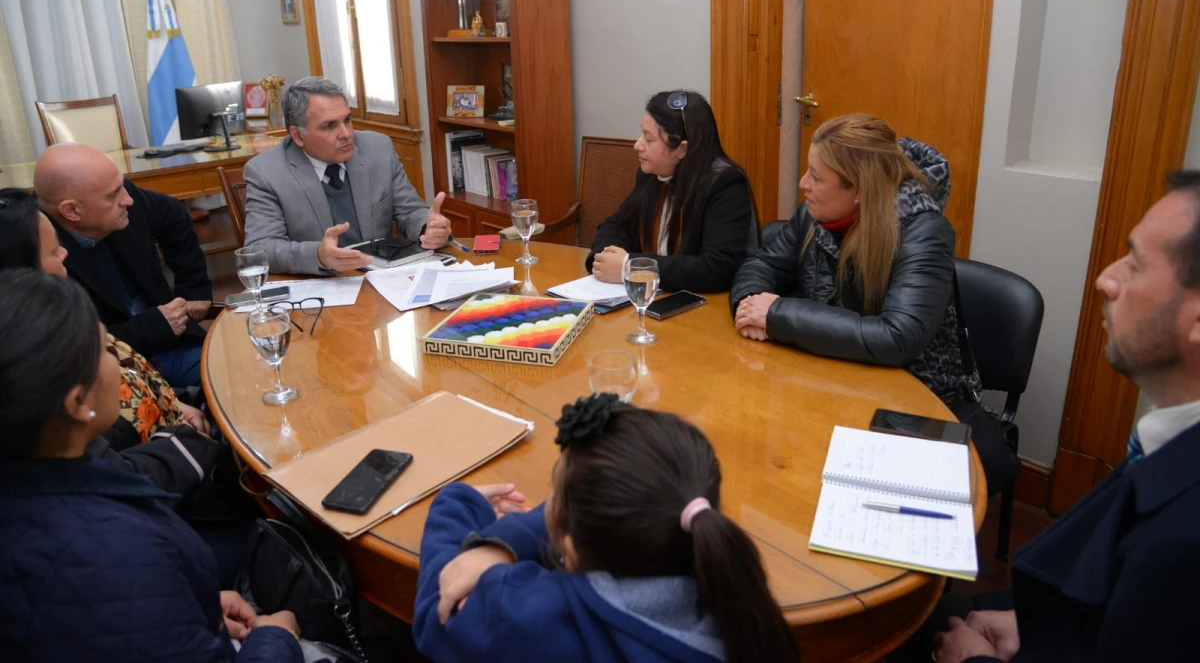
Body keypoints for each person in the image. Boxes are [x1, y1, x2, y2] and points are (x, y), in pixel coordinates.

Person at [900, 170, 1200, 663]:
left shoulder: (1183, 547)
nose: (1107, 277)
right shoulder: (1172, 436)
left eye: (1136, 264)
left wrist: (971, 660)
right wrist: (1031, 619)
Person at [0, 269, 304, 661]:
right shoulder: (108, 554)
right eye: (105, 351)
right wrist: (277, 639)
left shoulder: (45, 479)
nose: (122, 361)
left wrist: (192, 604)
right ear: (77, 403)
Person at [413, 393, 800, 663]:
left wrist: (457, 504)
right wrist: (501, 544)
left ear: (572, 552)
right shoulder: (737, 600)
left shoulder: (526, 613)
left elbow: (436, 614)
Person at [730, 113, 978, 405]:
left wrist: (777, 315)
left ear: (859, 190)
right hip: (829, 376)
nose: (803, 183)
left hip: (911, 397)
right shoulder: (816, 211)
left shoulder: (924, 232)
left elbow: (898, 337)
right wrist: (750, 307)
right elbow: (763, 264)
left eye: (816, 177)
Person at [0, 188, 209, 444]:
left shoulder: (49, 307)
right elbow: (109, 446)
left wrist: (173, 404)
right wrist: (189, 447)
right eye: (55, 252)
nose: (127, 200)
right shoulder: (46, 345)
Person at [34, 144, 213, 390]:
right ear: (72, 210)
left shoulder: (122, 197)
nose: (128, 199)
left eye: (122, 185)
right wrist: (151, 328)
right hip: (112, 378)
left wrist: (194, 289)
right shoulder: (40, 252)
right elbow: (69, 351)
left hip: (176, 346)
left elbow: (173, 214)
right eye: (113, 195)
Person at [243, 76, 452, 275]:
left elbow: (410, 210)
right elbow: (260, 248)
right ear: (298, 135)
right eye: (329, 125)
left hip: (384, 280)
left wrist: (427, 227)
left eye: (347, 120)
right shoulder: (266, 172)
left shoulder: (378, 149)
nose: (346, 134)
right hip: (320, 288)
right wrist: (318, 255)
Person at [587, 90, 758, 293]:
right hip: (653, 298)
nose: (637, 145)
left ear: (682, 149)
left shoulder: (725, 184)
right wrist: (605, 258)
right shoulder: (651, 173)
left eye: (649, 139)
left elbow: (716, 268)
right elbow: (615, 225)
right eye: (642, 134)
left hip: (704, 306)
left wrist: (631, 267)